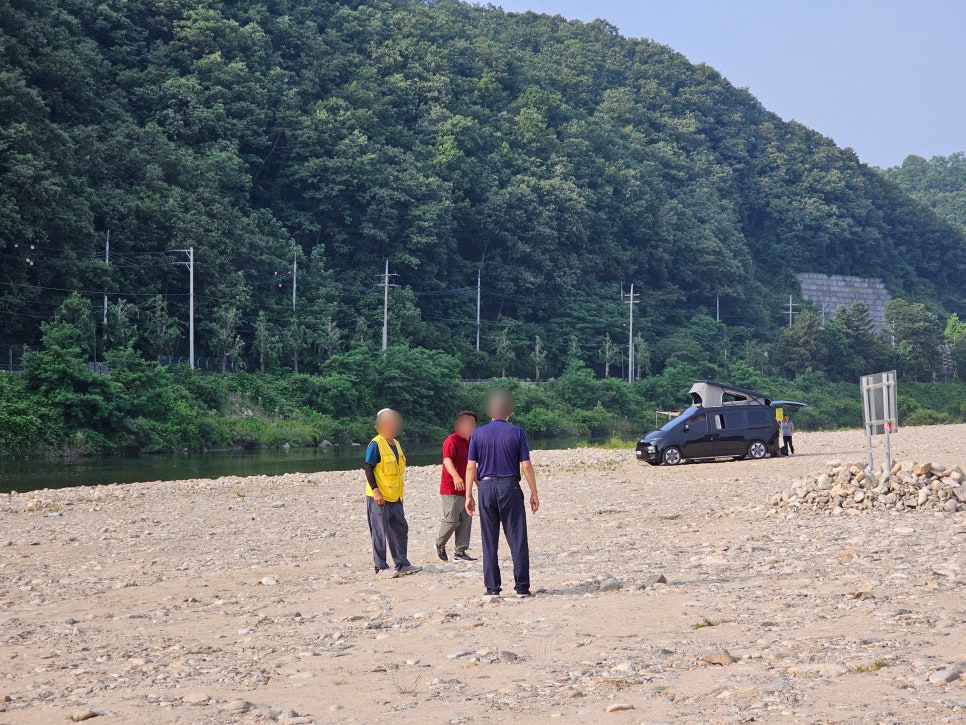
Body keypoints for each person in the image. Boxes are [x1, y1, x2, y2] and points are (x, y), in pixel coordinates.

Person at [466, 391, 539, 598]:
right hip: (510, 487)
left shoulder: (478, 434)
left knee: (489, 539)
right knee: (517, 537)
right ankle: (522, 588)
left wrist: (469, 495)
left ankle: (492, 588)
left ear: (490, 411)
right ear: (510, 412)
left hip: (486, 488)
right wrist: (534, 492)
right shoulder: (517, 432)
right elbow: (526, 464)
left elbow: (471, 466)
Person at [363, 408, 421, 579]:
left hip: (396, 497)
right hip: (379, 497)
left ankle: (402, 563)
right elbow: (368, 467)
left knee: (400, 529)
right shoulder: (376, 444)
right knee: (379, 533)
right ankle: (380, 567)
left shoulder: (396, 444)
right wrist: (375, 491)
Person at [436, 410, 479, 562]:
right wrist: (455, 475)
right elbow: (447, 459)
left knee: (466, 518)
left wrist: (477, 483)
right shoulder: (452, 440)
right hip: (451, 487)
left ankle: (460, 552)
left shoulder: (472, 442)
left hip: (465, 488)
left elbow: (471, 466)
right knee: (452, 519)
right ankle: (439, 544)